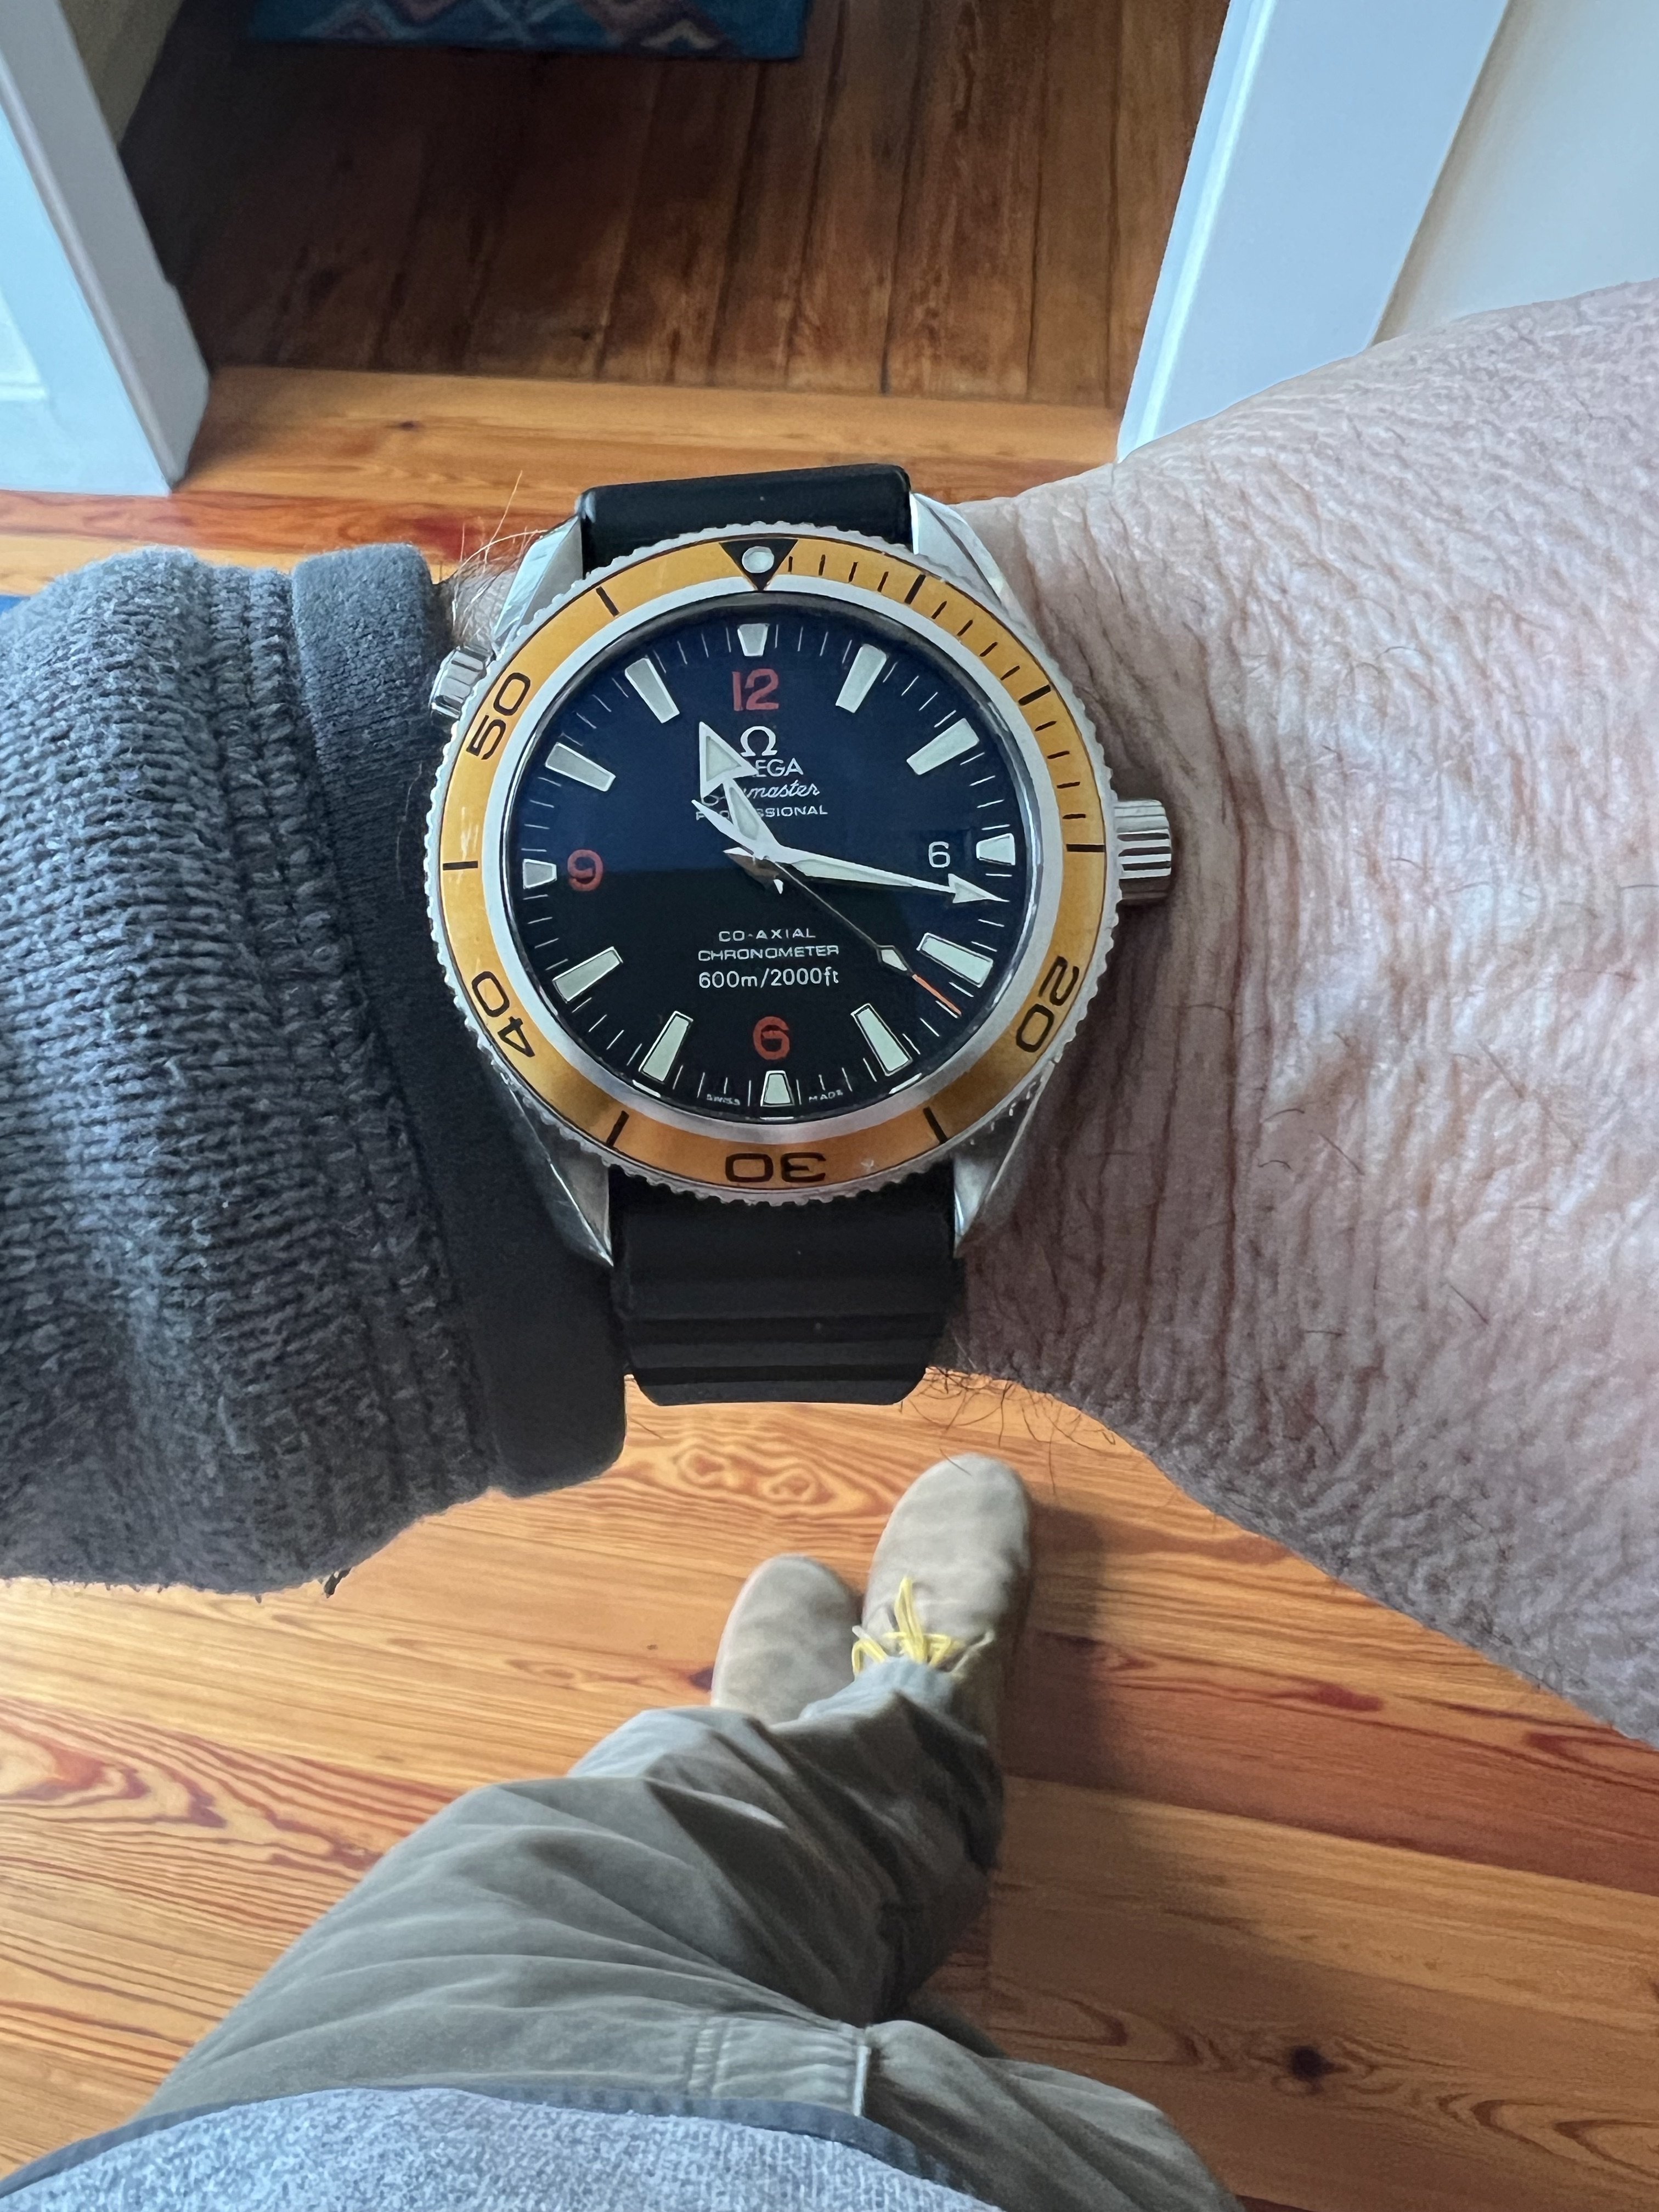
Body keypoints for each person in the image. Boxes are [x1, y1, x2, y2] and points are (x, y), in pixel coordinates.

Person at [0, 275, 1655, 2194]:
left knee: (582, 1850)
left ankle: (842, 1769)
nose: (768, 871)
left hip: (297, 2113)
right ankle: (875, 1766)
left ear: (1115, 853)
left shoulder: (948, 854)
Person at [0, 1454, 1241, 2211]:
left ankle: (790, 1779)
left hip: (281, 2146)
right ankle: (900, 1756)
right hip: (905, 2177)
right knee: (665, 1839)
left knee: (563, 1846)